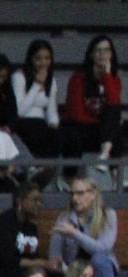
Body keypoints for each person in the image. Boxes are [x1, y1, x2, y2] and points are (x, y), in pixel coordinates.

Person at [49, 173, 121, 277]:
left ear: (93, 194)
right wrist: (61, 265)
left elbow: (103, 249)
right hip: (73, 270)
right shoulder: (64, 217)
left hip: (100, 269)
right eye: (72, 193)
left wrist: (74, 234)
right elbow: (53, 256)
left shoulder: (108, 215)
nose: (75, 198)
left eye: (80, 193)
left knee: (100, 259)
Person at [62, 36, 122, 179]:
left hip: (102, 132)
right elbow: (76, 114)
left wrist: (106, 76)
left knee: (115, 124)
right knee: (110, 129)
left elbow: (114, 103)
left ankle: (116, 179)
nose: (102, 54)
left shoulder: (114, 79)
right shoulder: (78, 78)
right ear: (91, 54)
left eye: (107, 50)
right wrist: (104, 127)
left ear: (111, 54)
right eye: (98, 50)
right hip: (79, 127)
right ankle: (68, 178)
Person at [11, 40, 63, 169]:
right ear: (31, 59)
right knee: (38, 131)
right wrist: (37, 85)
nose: (43, 63)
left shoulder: (52, 81)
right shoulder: (19, 76)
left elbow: (52, 111)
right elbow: (20, 111)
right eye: (38, 58)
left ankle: (47, 169)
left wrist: (54, 125)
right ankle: (36, 168)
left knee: (60, 135)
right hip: (22, 122)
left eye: (47, 58)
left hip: (40, 123)